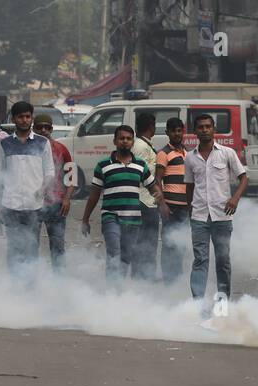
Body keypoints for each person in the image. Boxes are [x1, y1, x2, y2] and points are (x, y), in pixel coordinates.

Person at [81, 125, 159, 284]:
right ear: (115, 141)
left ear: (132, 142)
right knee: (114, 253)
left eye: (129, 139)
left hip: (133, 219)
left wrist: (160, 198)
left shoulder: (141, 165)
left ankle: (120, 292)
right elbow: (95, 194)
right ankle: (112, 291)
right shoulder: (103, 165)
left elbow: (153, 187)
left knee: (125, 257)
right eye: (121, 138)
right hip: (111, 217)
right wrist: (85, 219)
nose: (125, 141)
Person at [185, 112, 249, 303]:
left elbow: (243, 178)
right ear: (195, 131)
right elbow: (189, 186)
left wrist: (235, 199)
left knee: (222, 262)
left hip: (222, 217)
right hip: (199, 218)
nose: (204, 130)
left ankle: (222, 306)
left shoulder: (227, 153)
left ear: (213, 129)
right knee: (200, 261)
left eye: (208, 126)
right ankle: (197, 305)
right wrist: (191, 211)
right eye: (200, 127)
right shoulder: (190, 157)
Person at [0, 102, 56, 276]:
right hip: (10, 204)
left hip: (33, 206)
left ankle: (29, 287)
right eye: (20, 116)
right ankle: (14, 287)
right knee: (13, 248)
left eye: (27, 116)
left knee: (31, 248)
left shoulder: (43, 143)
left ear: (31, 118)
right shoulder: (4, 144)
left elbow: (49, 170)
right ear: (13, 119)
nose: (24, 120)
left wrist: (44, 187)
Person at [154, 117, 193, 284]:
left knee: (181, 243)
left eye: (179, 130)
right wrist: (162, 204)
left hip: (186, 207)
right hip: (171, 207)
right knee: (170, 244)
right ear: (167, 133)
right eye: (173, 131)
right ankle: (169, 280)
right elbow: (157, 181)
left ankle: (177, 278)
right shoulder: (163, 153)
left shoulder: (188, 153)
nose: (177, 134)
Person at [33, 112, 73, 273]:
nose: (43, 130)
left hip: (56, 205)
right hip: (34, 204)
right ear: (33, 129)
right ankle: (31, 280)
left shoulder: (61, 149)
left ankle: (59, 282)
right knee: (30, 245)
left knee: (57, 246)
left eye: (47, 127)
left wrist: (67, 199)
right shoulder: (28, 149)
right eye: (39, 127)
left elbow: (72, 176)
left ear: (51, 129)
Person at [131, 112, 167, 280]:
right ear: (151, 127)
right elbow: (140, 174)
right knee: (144, 242)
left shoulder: (144, 145)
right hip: (144, 201)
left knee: (150, 243)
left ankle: (146, 275)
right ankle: (142, 276)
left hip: (149, 201)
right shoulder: (140, 147)